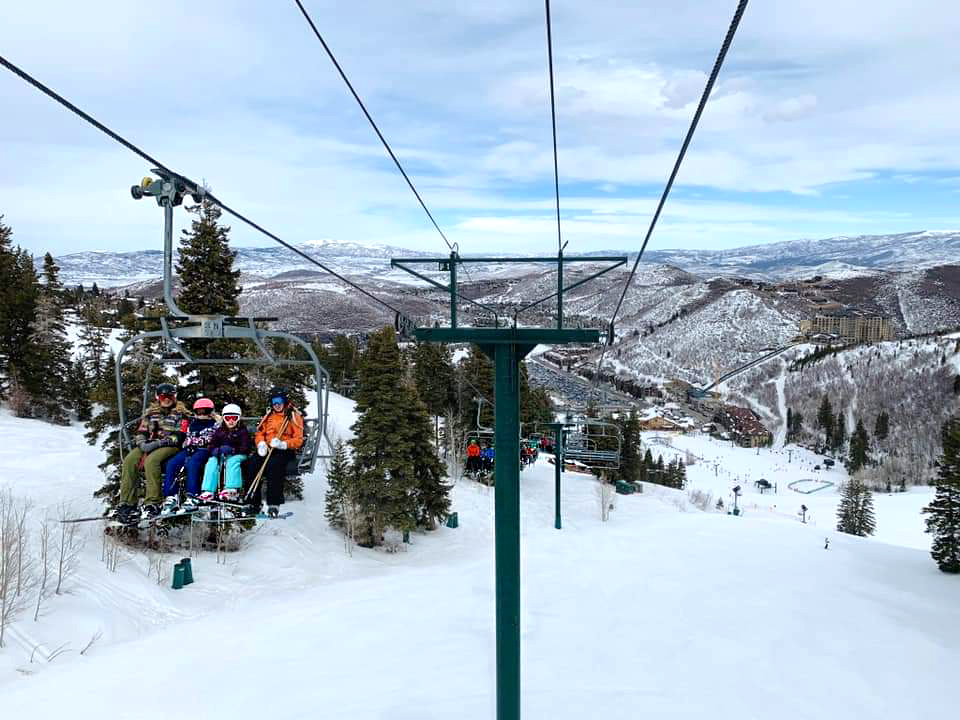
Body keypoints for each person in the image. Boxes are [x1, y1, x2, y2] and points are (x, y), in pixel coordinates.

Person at [114, 383, 190, 522]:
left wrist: (161, 442)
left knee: (152, 461)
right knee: (130, 460)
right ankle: (127, 502)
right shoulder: (151, 414)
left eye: (169, 396)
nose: (166, 399)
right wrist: (142, 443)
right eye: (163, 396)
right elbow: (142, 431)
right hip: (149, 443)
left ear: (174, 397)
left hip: (170, 445)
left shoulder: (181, 414)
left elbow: (181, 435)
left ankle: (152, 502)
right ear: (158, 397)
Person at [246, 387, 303, 517]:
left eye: (279, 401)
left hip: (284, 450)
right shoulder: (269, 415)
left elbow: (298, 439)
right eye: (274, 402)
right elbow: (260, 432)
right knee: (252, 464)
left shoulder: (293, 416)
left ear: (285, 401)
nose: (276, 405)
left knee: (274, 466)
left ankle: (273, 504)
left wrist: (284, 444)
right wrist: (260, 443)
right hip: (267, 448)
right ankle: (254, 503)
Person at [161, 397, 218, 513]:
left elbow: (210, 438)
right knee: (172, 463)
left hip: (204, 450)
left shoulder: (215, 424)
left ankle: (192, 495)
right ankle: (171, 496)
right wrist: (189, 443)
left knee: (192, 464)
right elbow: (187, 437)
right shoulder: (193, 423)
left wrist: (196, 441)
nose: (202, 414)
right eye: (199, 411)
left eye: (205, 411)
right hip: (189, 449)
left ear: (210, 411)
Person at [200, 403, 252, 502]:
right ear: (223, 418)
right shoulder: (220, 431)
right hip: (222, 454)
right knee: (212, 461)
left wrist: (233, 450)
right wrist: (215, 451)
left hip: (238, 455)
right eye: (228, 418)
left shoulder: (242, 431)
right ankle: (208, 490)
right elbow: (212, 445)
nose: (231, 421)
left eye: (234, 418)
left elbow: (246, 447)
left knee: (232, 461)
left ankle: (232, 489)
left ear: (239, 418)